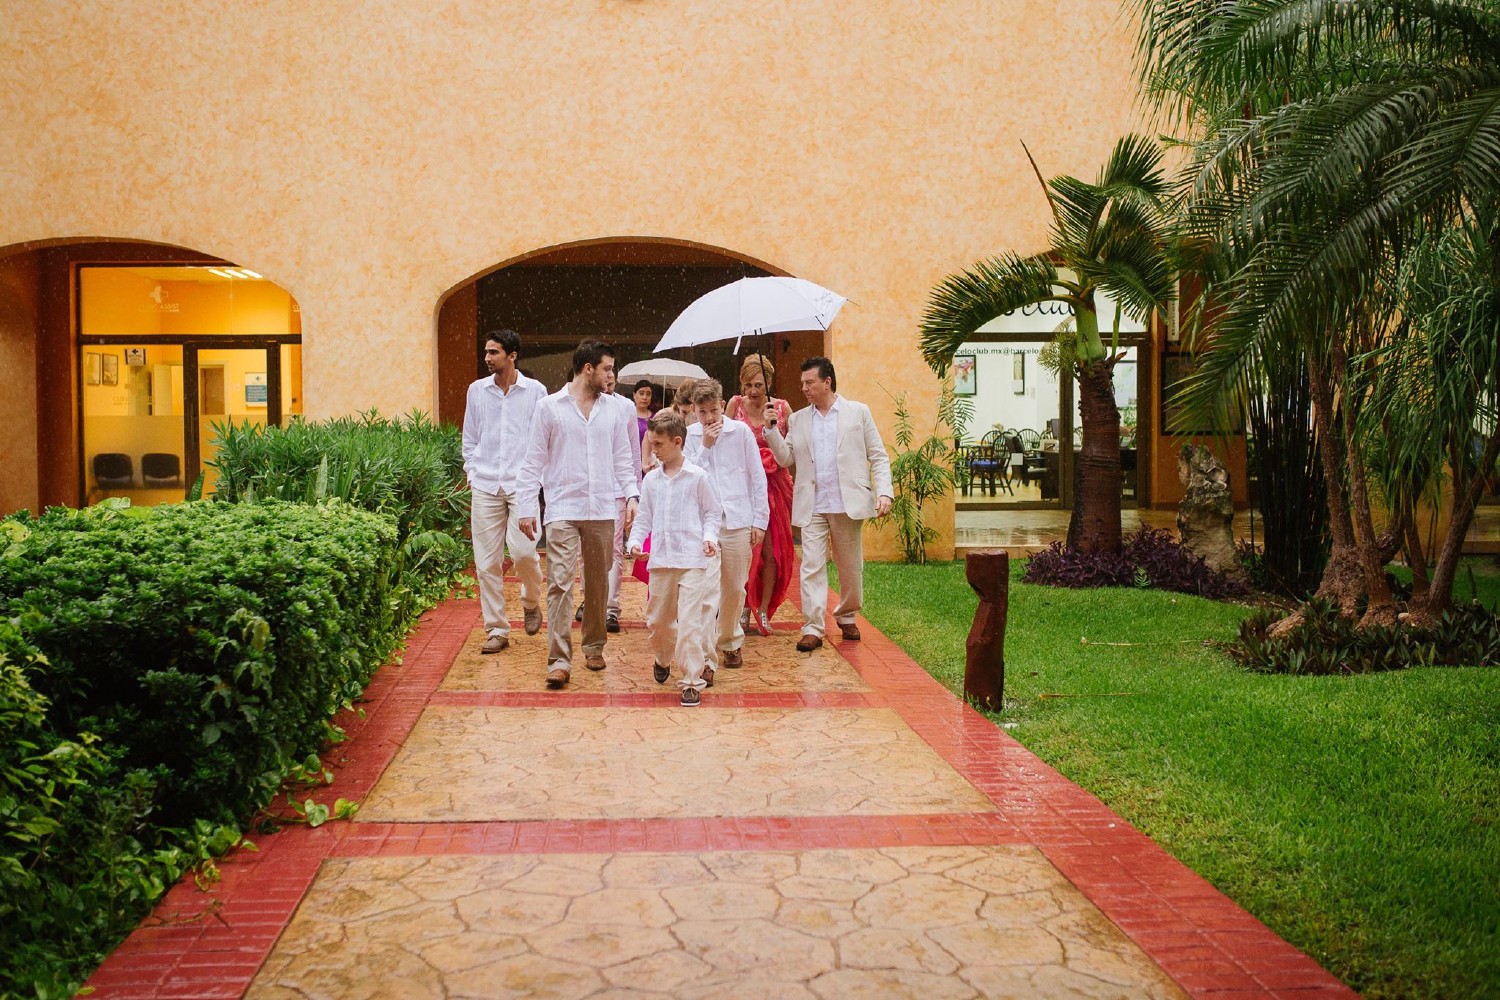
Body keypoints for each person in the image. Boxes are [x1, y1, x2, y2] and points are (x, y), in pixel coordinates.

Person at [516, 340, 639, 688]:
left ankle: (594, 645)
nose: (611, 375)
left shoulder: (615, 410)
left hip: (602, 507)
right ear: (588, 369)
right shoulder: (548, 408)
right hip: (563, 508)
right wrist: (527, 507)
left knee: (598, 583)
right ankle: (558, 660)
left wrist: (632, 495)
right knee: (559, 583)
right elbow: (533, 461)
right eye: (608, 368)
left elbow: (623, 458)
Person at [765, 356, 893, 652]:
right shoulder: (798, 419)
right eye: (802, 384)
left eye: (810, 383)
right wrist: (771, 430)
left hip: (847, 502)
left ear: (827, 382)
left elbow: (878, 455)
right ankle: (812, 627)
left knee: (850, 567)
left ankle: (847, 615)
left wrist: (884, 491)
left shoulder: (858, 413)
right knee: (811, 566)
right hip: (812, 504)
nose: (805, 389)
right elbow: (786, 459)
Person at [461, 329, 549, 653]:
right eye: (486, 352)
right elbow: (470, 437)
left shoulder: (537, 392)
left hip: (521, 485)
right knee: (486, 563)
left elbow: (543, 439)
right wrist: (472, 471)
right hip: (485, 484)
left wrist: (539, 479)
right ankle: (497, 629)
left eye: (494, 352)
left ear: (512, 356)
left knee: (525, 554)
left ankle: (530, 600)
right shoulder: (476, 391)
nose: (487, 358)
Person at [627, 410, 722, 706]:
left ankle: (692, 680)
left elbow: (712, 512)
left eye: (658, 444)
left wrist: (709, 538)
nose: (653, 450)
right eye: (652, 444)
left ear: (677, 442)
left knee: (690, 623)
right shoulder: (652, 481)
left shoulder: (698, 477)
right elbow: (644, 518)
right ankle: (663, 656)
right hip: (661, 561)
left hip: (692, 561)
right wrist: (633, 542)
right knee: (658, 621)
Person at [686, 378, 768, 670]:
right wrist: (705, 446)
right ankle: (706, 658)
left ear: (722, 406)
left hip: (738, 520)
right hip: (705, 525)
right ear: (694, 410)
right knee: (707, 592)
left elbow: (757, 477)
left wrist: (760, 520)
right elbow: (689, 479)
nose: (709, 418)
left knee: (734, 588)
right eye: (702, 411)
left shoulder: (741, 432)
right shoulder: (690, 437)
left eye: (713, 411)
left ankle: (731, 640)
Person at [726, 354, 794, 636]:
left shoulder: (781, 408)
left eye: (757, 385)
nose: (753, 392)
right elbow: (723, 443)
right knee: (745, 551)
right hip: (743, 487)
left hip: (775, 487)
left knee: (771, 552)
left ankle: (763, 607)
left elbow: (789, 451)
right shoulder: (734, 405)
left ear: (768, 383)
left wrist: (772, 426)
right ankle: (742, 604)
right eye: (747, 385)